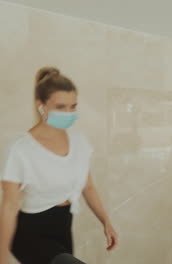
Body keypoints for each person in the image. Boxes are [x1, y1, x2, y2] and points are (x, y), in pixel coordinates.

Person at [0, 67, 118, 264]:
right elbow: (10, 206)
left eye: (73, 106)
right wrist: (2, 257)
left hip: (63, 228)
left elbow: (87, 186)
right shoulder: (21, 149)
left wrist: (106, 221)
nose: (69, 112)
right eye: (61, 107)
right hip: (30, 234)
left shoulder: (80, 142)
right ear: (41, 106)